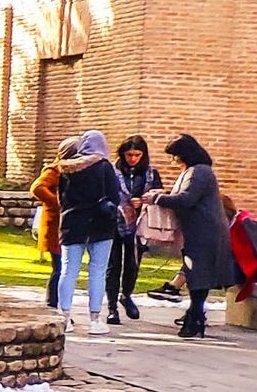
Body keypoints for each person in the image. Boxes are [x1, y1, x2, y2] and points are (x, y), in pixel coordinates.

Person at [152, 133, 236, 338]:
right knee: (196, 274)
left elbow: (187, 199)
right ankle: (195, 317)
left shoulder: (200, 172)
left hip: (205, 232)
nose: (173, 160)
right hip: (198, 230)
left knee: (198, 275)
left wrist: (157, 198)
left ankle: (195, 320)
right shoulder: (195, 171)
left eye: (175, 156)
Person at [55, 131, 126, 334]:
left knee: (68, 271)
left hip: (72, 224)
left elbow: (62, 198)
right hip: (100, 225)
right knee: (97, 271)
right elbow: (115, 196)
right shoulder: (104, 167)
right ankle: (95, 320)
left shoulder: (66, 169)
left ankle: (65, 317)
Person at [109, 134, 161, 321]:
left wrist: (144, 200)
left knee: (133, 263)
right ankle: (111, 307)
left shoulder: (150, 174)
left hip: (139, 224)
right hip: (114, 221)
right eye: (129, 154)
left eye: (137, 155)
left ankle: (127, 294)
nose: (132, 159)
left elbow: (157, 194)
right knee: (113, 265)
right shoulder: (113, 171)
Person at [30, 139, 74, 314]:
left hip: (66, 225)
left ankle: (58, 304)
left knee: (64, 267)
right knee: (59, 267)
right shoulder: (54, 170)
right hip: (55, 225)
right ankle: (51, 304)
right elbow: (37, 187)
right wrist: (58, 203)